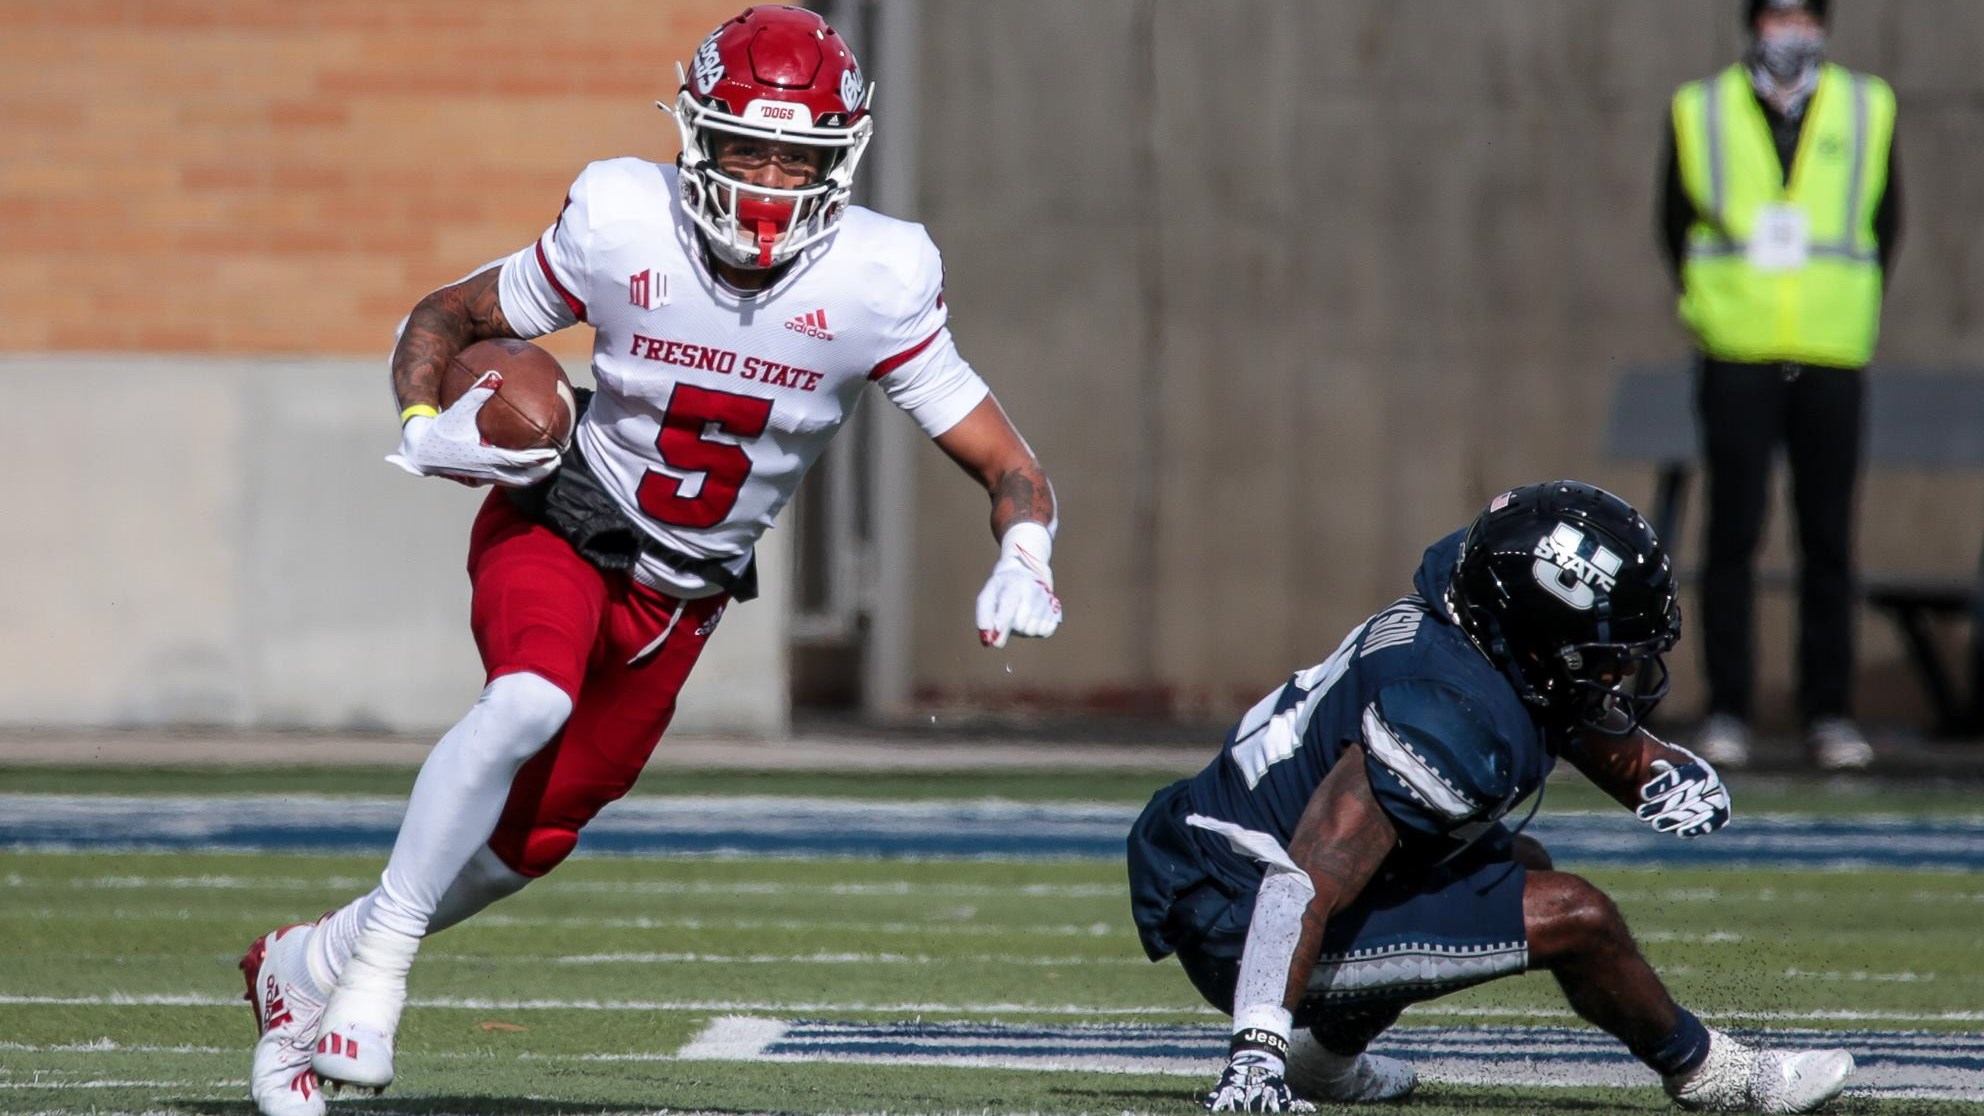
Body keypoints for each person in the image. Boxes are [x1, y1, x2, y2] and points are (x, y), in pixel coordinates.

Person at [235, 7, 1064, 1114]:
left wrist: (1026, 544)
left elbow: (1004, 457)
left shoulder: (879, 274)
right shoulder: (626, 219)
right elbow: (449, 310)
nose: (767, 180)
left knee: (532, 838)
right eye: (743, 148)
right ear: (694, 136)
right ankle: (374, 974)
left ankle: (302, 967)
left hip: (686, 598)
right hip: (566, 522)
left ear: (842, 158)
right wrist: (429, 417)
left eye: (796, 156)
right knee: (525, 702)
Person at [1127, 481, 1855, 1114]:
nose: (1620, 674)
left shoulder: (1478, 620)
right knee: (1578, 914)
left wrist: (1651, 767)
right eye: (1606, 656)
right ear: (1543, 643)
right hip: (1242, 918)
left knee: (1519, 860)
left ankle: (1325, 1061)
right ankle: (1715, 1074)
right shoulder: (1442, 715)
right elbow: (1307, 877)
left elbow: (1558, 704)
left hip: (1230, 861)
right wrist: (1255, 1055)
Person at [1659, 0, 1900, 771]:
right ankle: (1729, 706)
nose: (1790, 29)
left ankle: (1828, 712)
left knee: (1827, 538)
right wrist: (1709, 307)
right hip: (1738, 349)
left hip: (1831, 352)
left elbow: (1884, 223)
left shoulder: (1869, 107)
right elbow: (1674, 222)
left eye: (1803, 13)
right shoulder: (1701, 108)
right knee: (1733, 534)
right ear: (1754, 22)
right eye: (1777, 13)